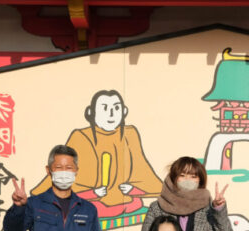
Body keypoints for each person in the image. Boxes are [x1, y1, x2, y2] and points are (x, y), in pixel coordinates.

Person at [31, 90, 163, 218]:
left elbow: (142, 170)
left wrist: (133, 189)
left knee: (134, 203)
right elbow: (70, 177)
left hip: (126, 200)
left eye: (116, 108)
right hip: (95, 200)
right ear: (91, 112)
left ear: (124, 112)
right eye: (105, 109)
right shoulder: (81, 136)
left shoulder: (130, 133)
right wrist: (93, 193)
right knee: (89, 207)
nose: (111, 114)